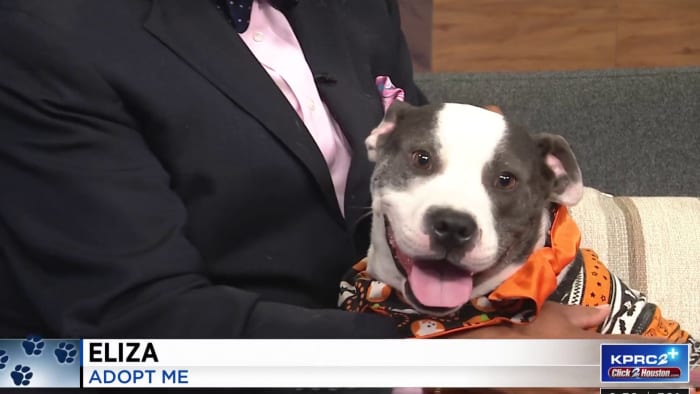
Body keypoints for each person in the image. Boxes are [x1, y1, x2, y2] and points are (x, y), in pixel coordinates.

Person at [0, 1, 659, 393]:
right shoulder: (46, 32)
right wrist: (456, 363)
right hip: (163, 368)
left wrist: (524, 325)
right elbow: (135, 325)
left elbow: (400, 178)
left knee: (656, 366)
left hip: (397, 334)